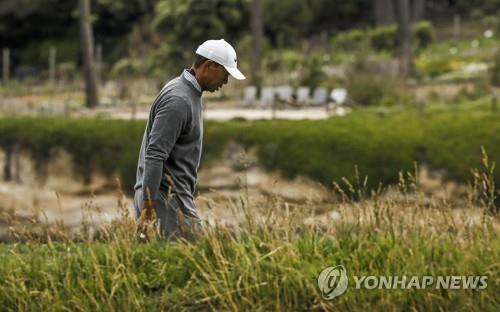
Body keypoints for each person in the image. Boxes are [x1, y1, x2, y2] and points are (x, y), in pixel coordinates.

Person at [133, 39, 245, 239]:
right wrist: (148, 210)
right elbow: (155, 155)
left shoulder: (188, 93)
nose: (226, 82)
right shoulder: (179, 100)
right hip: (165, 202)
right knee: (200, 260)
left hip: (172, 200)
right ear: (210, 66)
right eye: (225, 75)